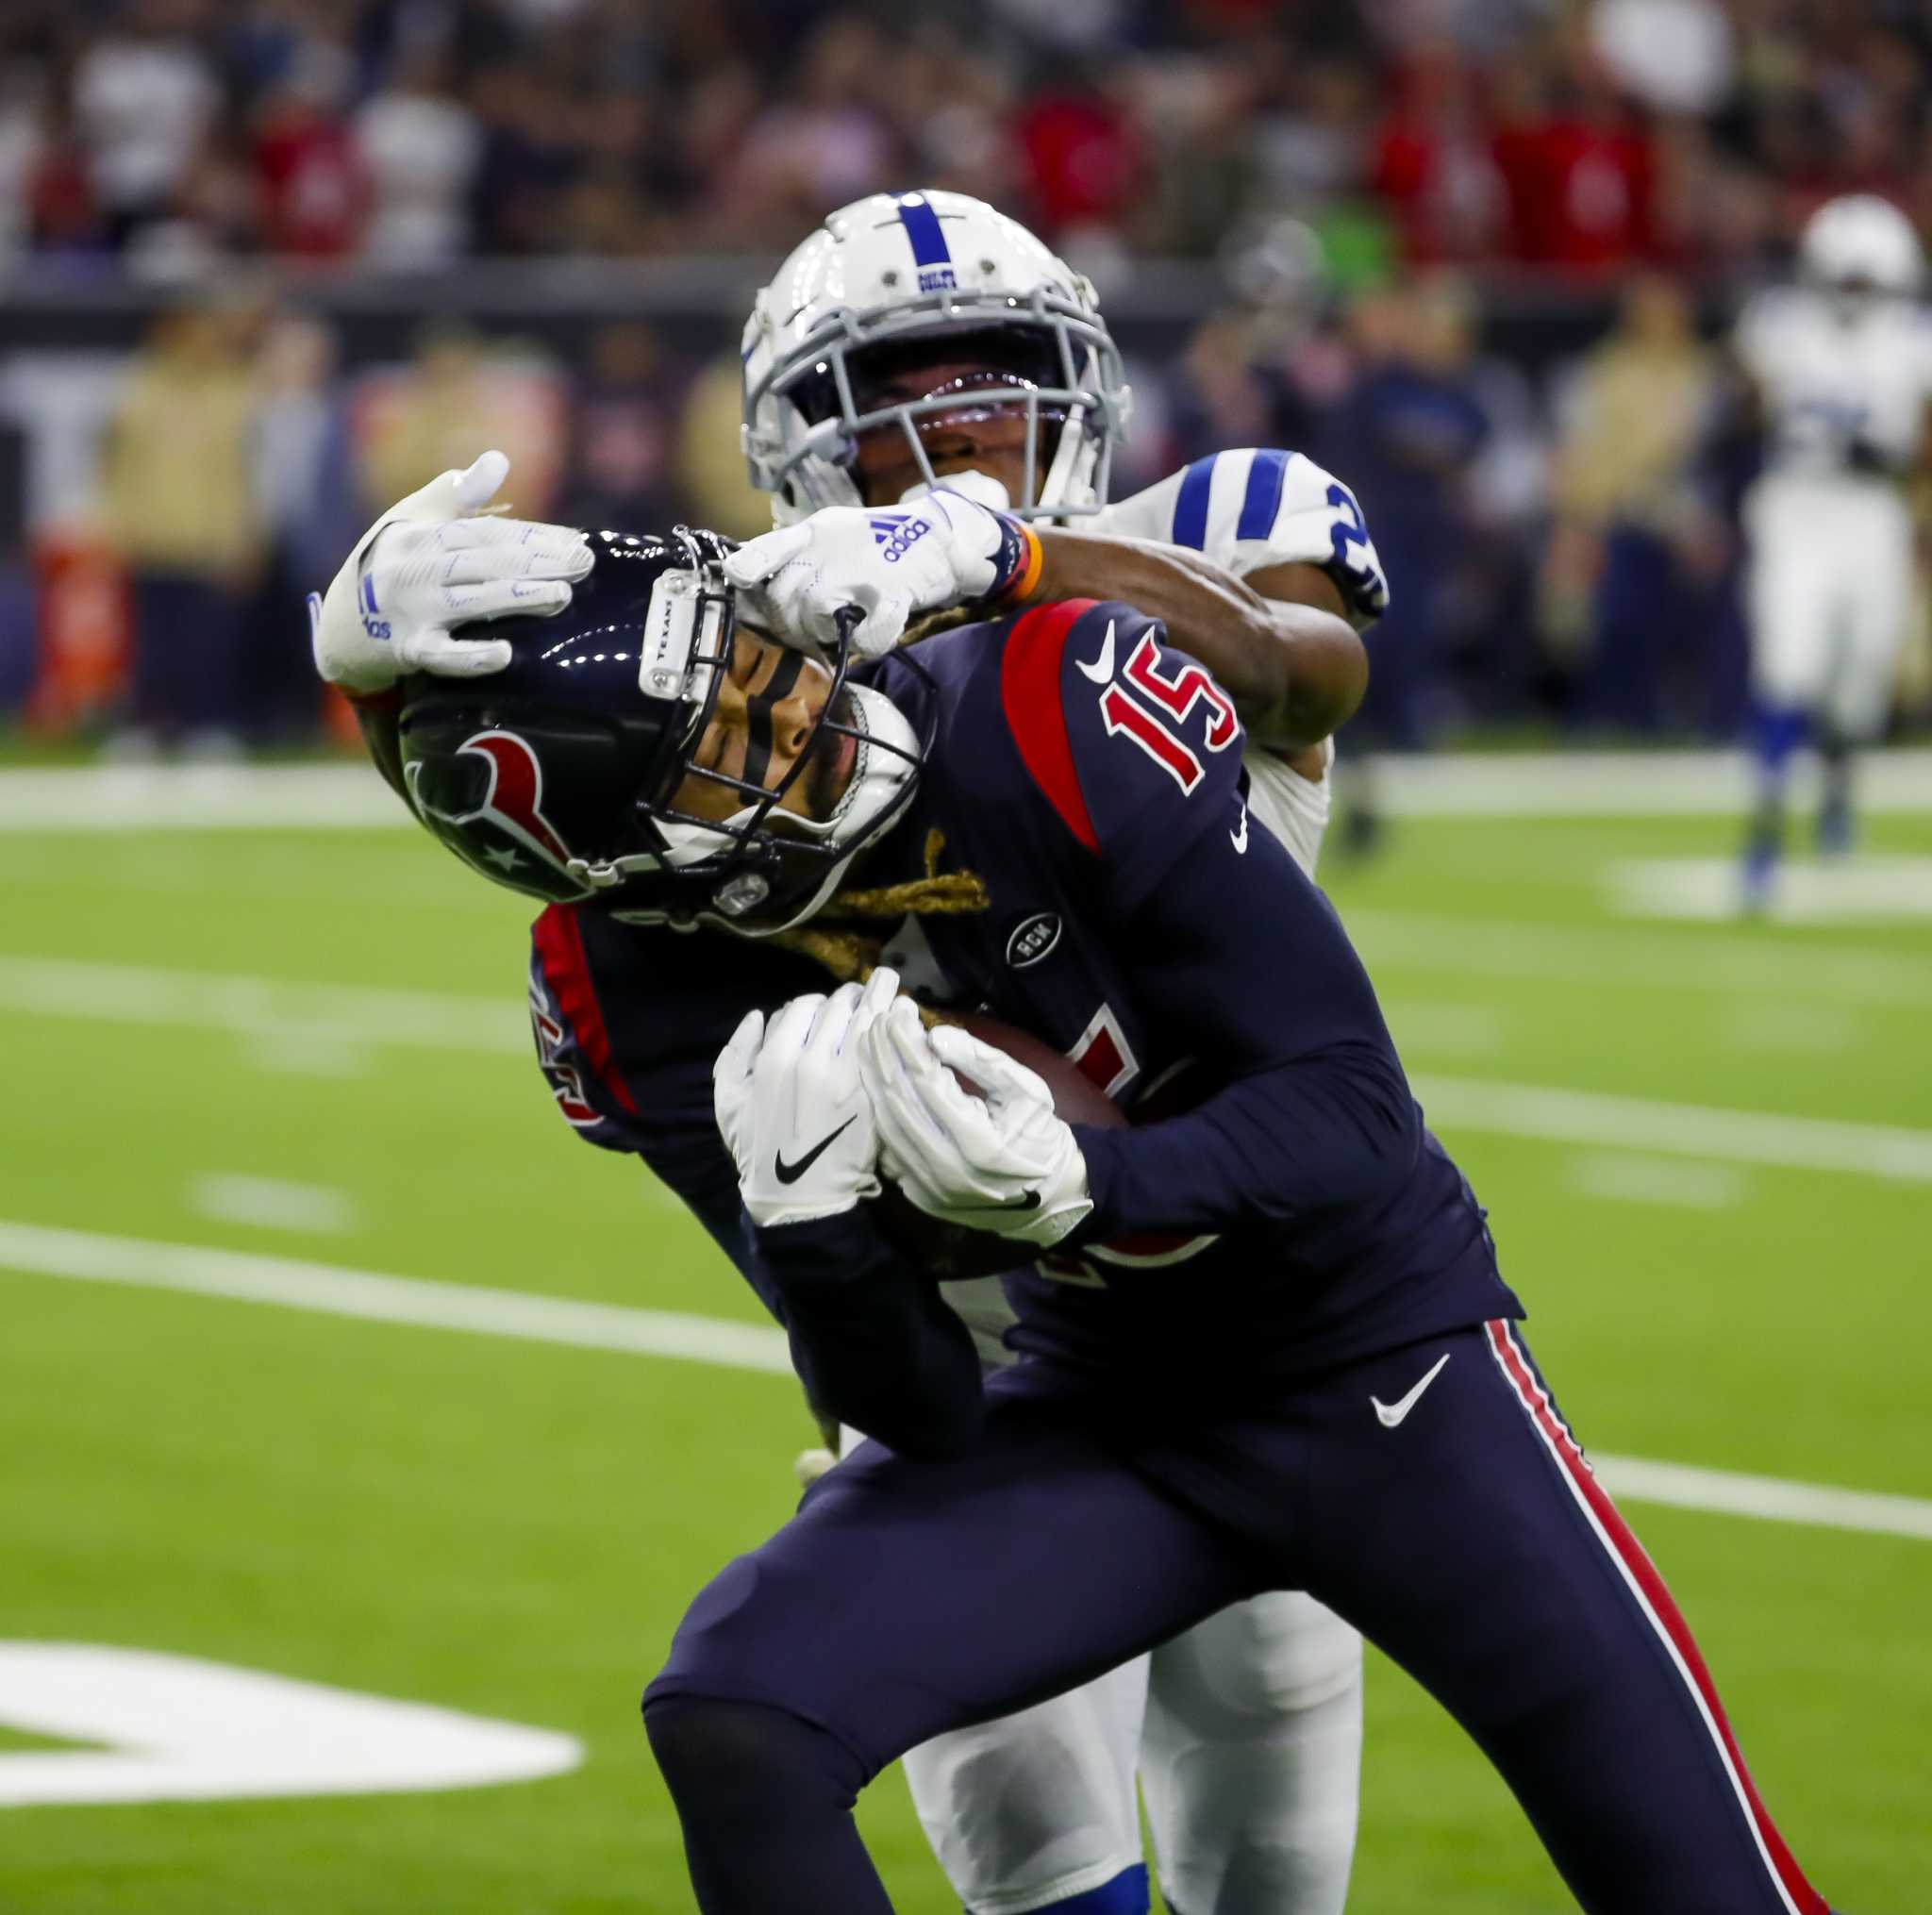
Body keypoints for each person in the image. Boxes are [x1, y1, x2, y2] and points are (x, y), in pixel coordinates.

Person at [310, 459, 1833, 1915]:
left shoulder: (1043, 700)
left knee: (1704, 1890)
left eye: (755, 662)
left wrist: (1084, 1186)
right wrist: (819, 1244)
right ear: (627, 868)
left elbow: (1353, 1118)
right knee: (735, 1709)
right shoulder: (626, 990)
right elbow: (912, 1412)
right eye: (724, 743)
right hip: (1098, 1399)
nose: (793, 715)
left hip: (1377, 1357)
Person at [729, 187, 1385, 1915]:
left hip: (1263, 1321)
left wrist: (1007, 564)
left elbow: (1304, 674)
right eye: (902, 405)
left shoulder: (1211, 535)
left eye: (986, 391)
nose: (951, 439)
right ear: (813, 453)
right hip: (982, 1361)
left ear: (1070, 399)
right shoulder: (766, 687)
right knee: (1045, 1885)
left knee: (1270, 1877)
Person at [1733, 193, 1932, 909]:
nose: (1852, 297)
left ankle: (1839, 783)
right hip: (1798, 506)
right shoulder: (1782, 324)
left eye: (1864, 283)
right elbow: (1746, 404)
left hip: (1874, 514)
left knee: (1860, 682)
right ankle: (1765, 823)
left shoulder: (1913, 337)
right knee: (1788, 665)